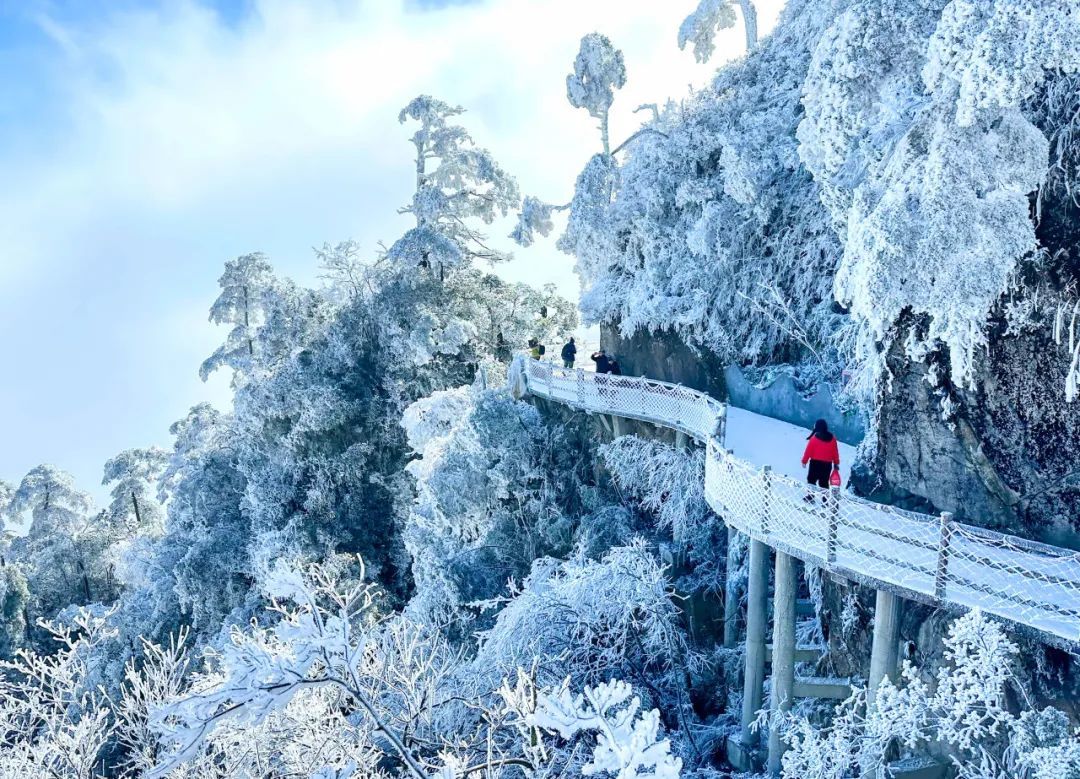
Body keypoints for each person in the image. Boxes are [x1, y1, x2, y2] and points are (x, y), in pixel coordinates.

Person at [802, 418, 840, 494]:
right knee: (824, 482)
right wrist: (836, 463)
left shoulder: (814, 438)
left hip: (815, 464)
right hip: (827, 465)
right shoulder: (832, 439)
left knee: (811, 480)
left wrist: (804, 461)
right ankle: (825, 498)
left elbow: (808, 451)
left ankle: (810, 496)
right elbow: (835, 452)